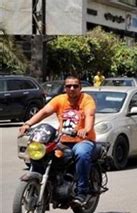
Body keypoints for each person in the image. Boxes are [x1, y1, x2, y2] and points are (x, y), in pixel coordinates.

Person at [19, 75, 97, 205]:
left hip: (83, 140)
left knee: (82, 154)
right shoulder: (60, 100)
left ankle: (82, 192)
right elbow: (44, 112)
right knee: (43, 153)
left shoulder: (87, 99)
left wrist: (86, 129)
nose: (72, 88)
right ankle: (46, 183)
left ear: (80, 87)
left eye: (75, 86)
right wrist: (28, 124)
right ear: (65, 88)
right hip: (63, 140)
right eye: (68, 86)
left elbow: (90, 115)